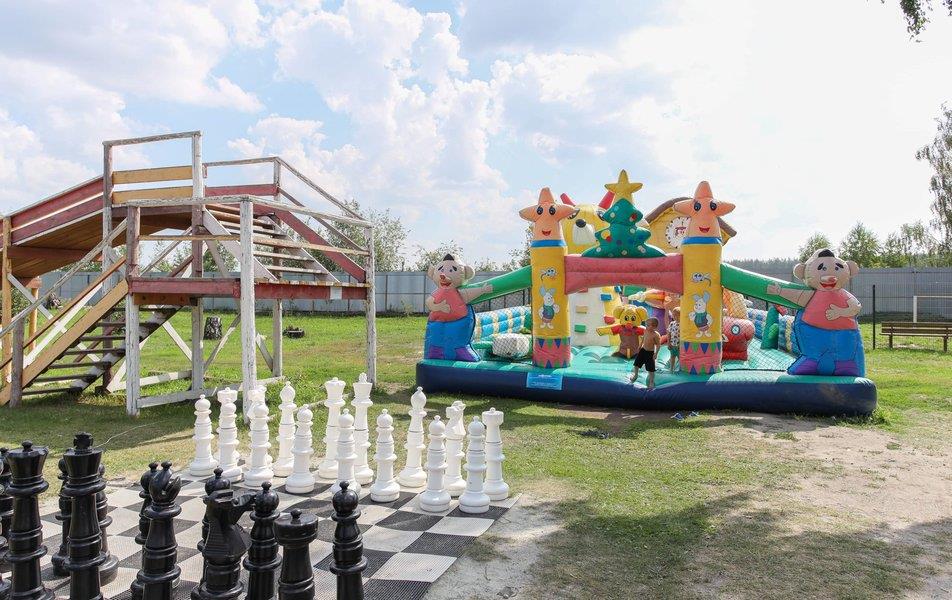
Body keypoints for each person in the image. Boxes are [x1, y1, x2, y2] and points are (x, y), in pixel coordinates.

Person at [631, 317, 661, 388]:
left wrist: (656, 354)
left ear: (654, 327)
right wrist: (640, 345)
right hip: (643, 350)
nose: (646, 326)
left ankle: (651, 381)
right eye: (646, 325)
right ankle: (636, 375)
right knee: (636, 364)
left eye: (648, 325)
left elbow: (658, 345)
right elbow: (643, 338)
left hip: (650, 353)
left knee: (651, 369)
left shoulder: (656, 335)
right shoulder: (645, 331)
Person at [666, 308, 680, 372]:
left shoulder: (683, 324)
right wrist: (668, 342)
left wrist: (681, 345)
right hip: (672, 344)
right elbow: (669, 333)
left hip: (679, 345)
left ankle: (680, 369)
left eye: (676, 315)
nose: (674, 317)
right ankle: (671, 369)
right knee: (672, 356)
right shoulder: (672, 323)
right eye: (673, 315)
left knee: (680, 357)